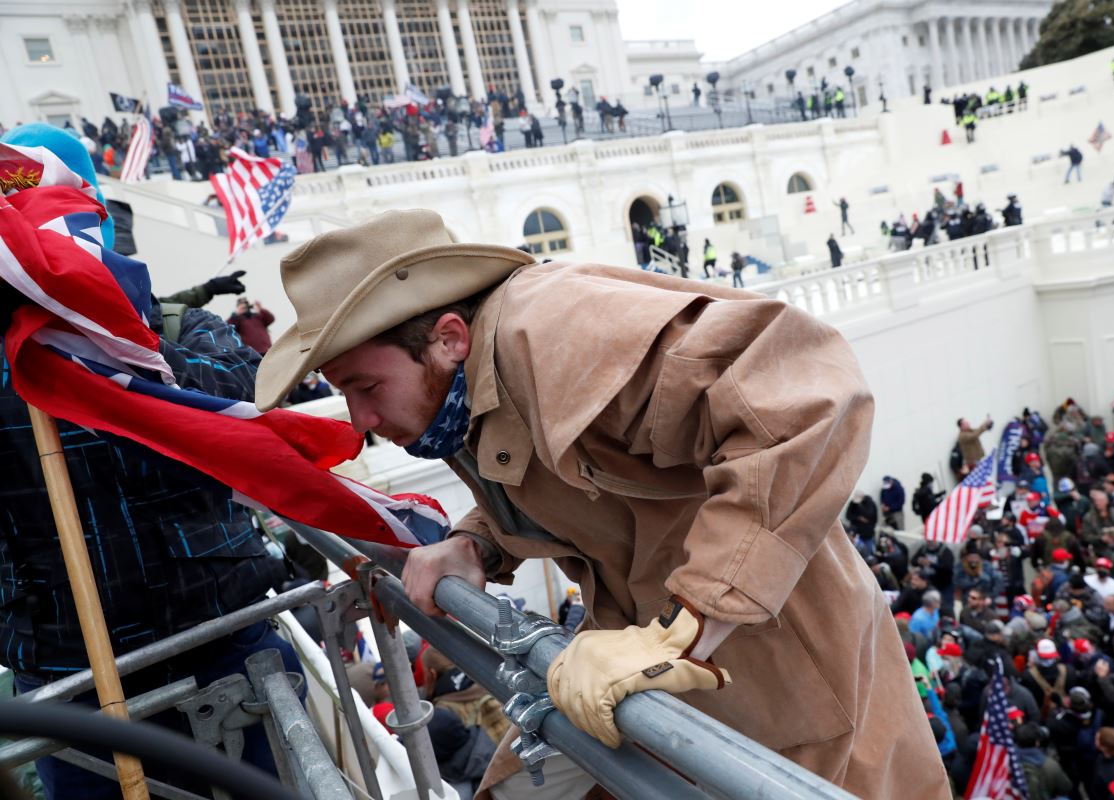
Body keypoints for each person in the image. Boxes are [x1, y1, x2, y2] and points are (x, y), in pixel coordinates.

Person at [252, 209, 950, 798]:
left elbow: (803, 391)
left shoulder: (549, 327)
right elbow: (582, 488)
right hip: (647, 667)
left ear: (447, 337)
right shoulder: (454, 383)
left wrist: (681, 630)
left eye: (364, 387)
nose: (359, 418)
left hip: (780, 678)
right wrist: (477, 542)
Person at [0, 124, 302, 798]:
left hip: (223, 647)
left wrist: (114, 350)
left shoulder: (175, 331)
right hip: (68, 685)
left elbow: (249, 408)